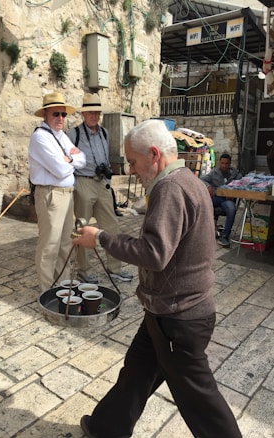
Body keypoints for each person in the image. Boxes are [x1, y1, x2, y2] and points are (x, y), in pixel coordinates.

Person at [72, 119, 242, 438]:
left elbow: (153, 253)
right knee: (137, 372)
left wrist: (101, 238)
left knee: (200, 400)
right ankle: (105, 428)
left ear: (153, 154)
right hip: (167, 310)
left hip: (180, 317)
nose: (132, 170)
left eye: (133, 162)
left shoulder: (170, 188)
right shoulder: (189, 181)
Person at [67, 93, 132, 284]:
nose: (94, 115)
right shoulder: (74, 134)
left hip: (102, 183)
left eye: (97, 112)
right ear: (83, 114)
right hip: (83, 182)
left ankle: (115, 269)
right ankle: (83, 270)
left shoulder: (104, 132)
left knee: (112, 226)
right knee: (80, 227)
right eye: (90, 112)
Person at [28, 91, 86, 292]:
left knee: (65, 244)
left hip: (66, 193)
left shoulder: (60, 136)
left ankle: (60, 286)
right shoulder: (40, 137)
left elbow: (82, 159)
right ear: (45, 115)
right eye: (56, 114)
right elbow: (60, 170)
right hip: (51, 194)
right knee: (49, 245)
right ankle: (46, 291)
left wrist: (69, 160)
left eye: (63, 114)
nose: (60, 118)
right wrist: (72, 162)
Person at [201, 153, 242, 248]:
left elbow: (242, 183)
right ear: (220, 163)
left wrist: (233, 193)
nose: (224, 165)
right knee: (207, 201)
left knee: (232, 209)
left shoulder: (235, 173)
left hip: (227, 200)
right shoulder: (214, 172)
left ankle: (225, 236)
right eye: (222, 163)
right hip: (216, 198)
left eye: (227, 163)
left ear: (230, 163)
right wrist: (209, 186)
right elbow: (201, 180)